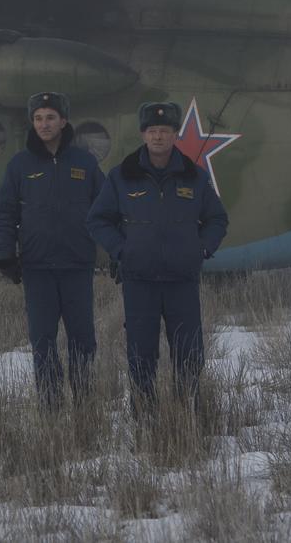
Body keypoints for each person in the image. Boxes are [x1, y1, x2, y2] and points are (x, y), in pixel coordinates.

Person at [87, 102, 229, 416]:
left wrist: (201, 248)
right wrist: (122, 250)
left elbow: (217, 219)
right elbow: (98, 220)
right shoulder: (122, 176)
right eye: (152, 131)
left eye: (164, 131)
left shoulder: (194, 176)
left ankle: (188, 414)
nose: (158, 137)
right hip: (140, 281)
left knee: (189, 353)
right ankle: (145, 417)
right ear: (143, 135)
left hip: (182, 280)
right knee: (141, 354)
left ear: (174, 134)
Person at [0, 92, 106, 408]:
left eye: (50, 117)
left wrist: (113, 252)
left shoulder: (85, 163)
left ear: (64, 121)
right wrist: (6, 254)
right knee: (43, 342)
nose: (44, 124)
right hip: (37, 268)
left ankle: (84, 406)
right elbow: (5, 212)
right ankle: (51, 407)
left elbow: (107, 208)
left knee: (83, 341)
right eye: (39, 118)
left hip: (77, 266)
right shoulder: (20, 165)